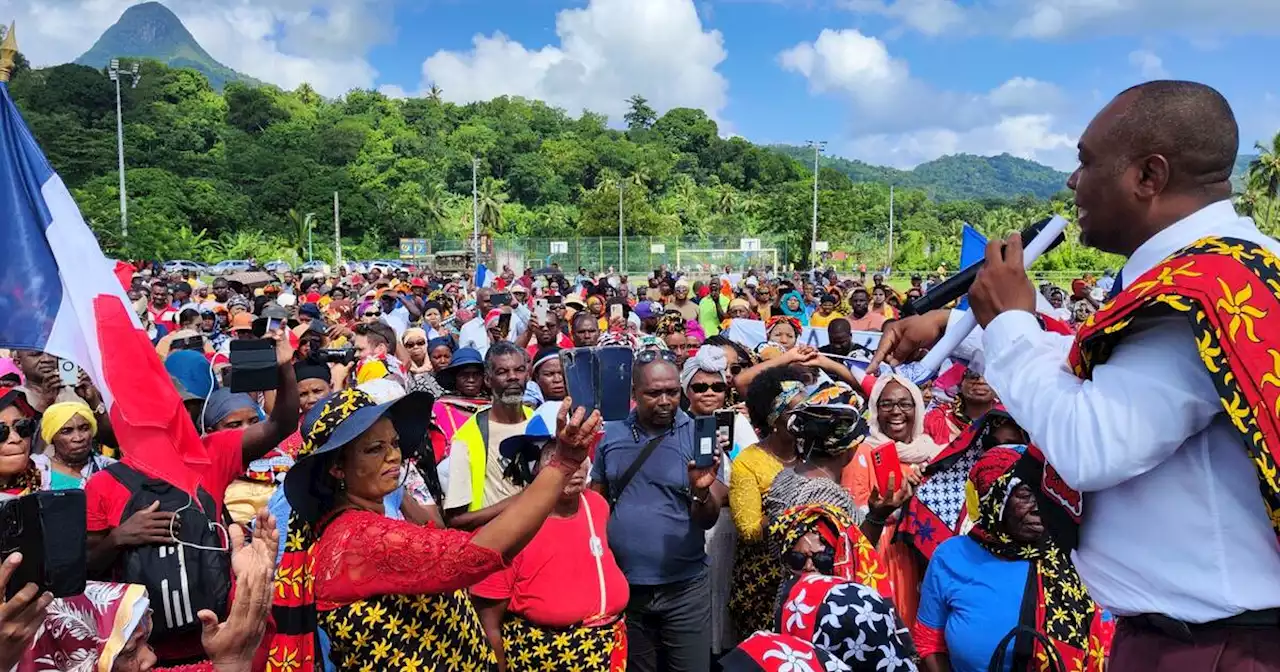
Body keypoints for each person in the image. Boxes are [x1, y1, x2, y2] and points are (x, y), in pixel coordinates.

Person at [873, 81, 1280, 670]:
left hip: (1209, 647)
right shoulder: (1242, 269)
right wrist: (973, 331)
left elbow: (1091, 443)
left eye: (1086, 161)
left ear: (1149, 176)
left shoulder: (1195, 294)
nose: (1072, 181)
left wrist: (1012, 324)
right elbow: (1095, 384)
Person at [272, 388, 602, 672]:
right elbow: (477, 553)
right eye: (374, 449)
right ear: (337, 467)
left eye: (395, 443)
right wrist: (561, 465)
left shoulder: (360, 527)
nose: (394, 456)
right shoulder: (358, 538)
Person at [914, 446, 1111, 672]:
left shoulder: (1075, 556)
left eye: (1046, 494)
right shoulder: (951, 557)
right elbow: (930, 642)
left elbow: (1104, 643)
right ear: (995, 503)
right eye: (1026, 495)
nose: (1040, 508)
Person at [589, 355, 725, 672]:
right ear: (634, 393)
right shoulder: (610, 435)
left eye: (673, 392)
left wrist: (702, 490)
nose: (665, 401)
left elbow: (708, 519)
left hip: (684, 590)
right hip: (626, 589)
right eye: (654, 393)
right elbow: (598, 502)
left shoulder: (699, 435)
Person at [472, 404, 629, 672]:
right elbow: (488, 624)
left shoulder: (596, 505)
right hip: (544, 658)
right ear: (535, 467)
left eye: (580, 456)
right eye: (559, 457)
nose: (574, 468)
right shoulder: (510, 529)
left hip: (609, 651)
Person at [843, 373, 939, 627]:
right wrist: (889, 510)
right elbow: (852, 523)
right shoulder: (862, 453)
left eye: (905, 404)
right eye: (886, 404)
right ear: (874, 410)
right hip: (882, 556)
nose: (896, 412)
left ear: (917, 408)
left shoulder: (934, 454)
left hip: (926, 555)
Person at [728, 368, 807, 640]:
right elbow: (749, 530)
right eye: (794, 412)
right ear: (773, 418)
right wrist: (787, 507)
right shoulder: (749, 462)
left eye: (806, 408)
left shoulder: (815, 454)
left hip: (808, 580)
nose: (803, 417)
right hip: (763, 584)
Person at [444, 342, 534, 530]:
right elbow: (456, 520)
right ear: (487, 380)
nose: (512, 378)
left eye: (519, 370)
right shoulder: (467, 437)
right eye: (502, 372)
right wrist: (522, 500)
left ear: (528, 374)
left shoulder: (538, 421)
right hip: (498, 545)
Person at [38, 400, 115, 490]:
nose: (78, 438)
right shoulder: (37, 470)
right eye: (67, 431)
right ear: (52, 437)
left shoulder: (112, 469)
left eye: (85, 429)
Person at [922, 368, 997, 446]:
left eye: (989, 376)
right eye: (973, 374)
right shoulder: (936, 419)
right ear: (960, 383)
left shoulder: (1007, 420)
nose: (981, 381)